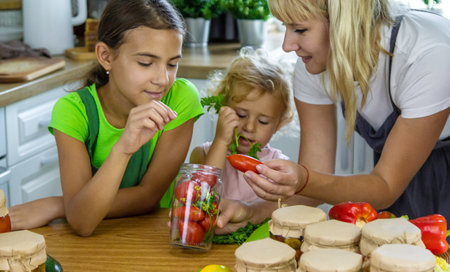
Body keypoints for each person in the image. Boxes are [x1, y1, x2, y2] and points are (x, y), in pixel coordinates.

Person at [215, 0, 450, 235]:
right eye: (284, 27)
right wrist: (250, 211)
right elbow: (311, 189)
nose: (287, 45)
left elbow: (386, 186)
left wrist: (303, 179)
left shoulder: (426, 56)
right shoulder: (314, 66)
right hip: (395, 182)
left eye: (300, 29)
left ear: (343, 24)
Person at [9, 0, 203, 236]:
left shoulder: (180, 98)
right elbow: (83, 223)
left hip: (154, 237)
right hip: (95, 245)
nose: (162, 79)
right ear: (106, 56)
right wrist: (123, 148)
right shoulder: (74, 111)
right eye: (146, 63)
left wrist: (62, 206)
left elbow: (149, 196)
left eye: (172, 64)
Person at [190, 48, 293, 202]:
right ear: (223, 107)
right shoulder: (202, 154)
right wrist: (221, 142)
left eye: (263, 121)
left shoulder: (279, 167)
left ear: (280, 123)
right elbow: (203, 199)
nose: (249, 127)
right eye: (241, 115)